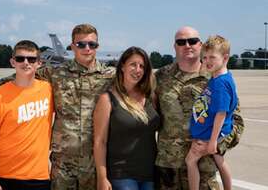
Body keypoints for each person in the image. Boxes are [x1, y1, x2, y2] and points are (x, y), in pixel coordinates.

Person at [0, 24, 115, 190]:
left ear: (97, 46)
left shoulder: (110, 76)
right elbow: (23, 73)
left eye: (92, 44)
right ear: (72, 46)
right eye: (81, 44)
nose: (87, 48)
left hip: (95, 160)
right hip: (63, 163)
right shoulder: (56, 73)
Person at [155, 27, 244, 190]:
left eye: (193, 41)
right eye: (181, 42)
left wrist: (215, 144)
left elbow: (236, 121)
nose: (187, 45)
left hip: (205, 172)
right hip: (168, 173)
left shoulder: (217, 77)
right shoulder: (160, 77)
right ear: (174, 47)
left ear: (201, 45)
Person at [0, 40, 54, 190]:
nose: (26, 63)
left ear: (39, 63)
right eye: (20, 59)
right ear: (13, 62)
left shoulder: (50, 90)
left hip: (39, 177)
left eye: (31, 59)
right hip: (5, 177)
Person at [93, 46, 160, 190]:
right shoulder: (107, 99)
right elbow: (100, 142)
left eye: (142, 66)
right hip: (121, 174)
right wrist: (102, 178)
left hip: (149, 174)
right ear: (122, 66)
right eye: (133, 64)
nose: (138, 70)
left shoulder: (150, 97)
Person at [185, 35, 236, 190]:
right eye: (205, 57)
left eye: (212, 57)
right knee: (219, 160)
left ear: (225, 57)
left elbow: (221, 113)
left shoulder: (220, 83)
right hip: (212, 131)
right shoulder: (220, 77)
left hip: (210, 134)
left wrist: (212, 141)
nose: (207, 61)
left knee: (190, 160)